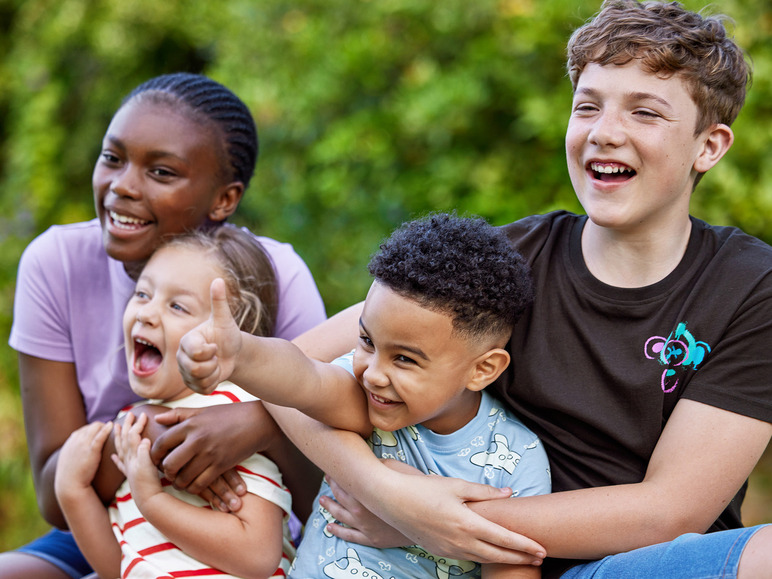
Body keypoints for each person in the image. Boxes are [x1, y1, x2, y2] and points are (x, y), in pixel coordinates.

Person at [261, 1, 772, 577]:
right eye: (588, 107)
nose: (605, 133)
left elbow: (668, 511)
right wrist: (394, 494)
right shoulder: (509, 259)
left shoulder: (751, 287)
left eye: (645, 113)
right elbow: (296, 368)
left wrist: (443, 524)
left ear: (709, 145)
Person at [6, 72, 326, 579]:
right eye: (112, 158)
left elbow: (325, 485)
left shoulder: (273, 275)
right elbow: (53, 489)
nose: (122, 187)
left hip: (239, 524)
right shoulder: (55, 262)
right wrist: (158, 433)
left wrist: (256, 429)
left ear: (225, 199)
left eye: (160, 172)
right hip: (112, 519)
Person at [178, 213, 552, 578]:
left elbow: (511, 567)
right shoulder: (364, 401)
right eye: (367, 341)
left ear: (482, 370)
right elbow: (303, 377)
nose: (372, 373)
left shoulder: (516, 461)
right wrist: (241, 354)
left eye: (404, 359)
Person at [55, 227, 296, 579]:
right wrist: (72, 492)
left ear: (233, 332)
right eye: (141, 294)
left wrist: (153, 501)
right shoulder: (131, 426)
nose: (147, 314)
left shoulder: (232, 415)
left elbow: (258, 555)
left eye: (177, 306)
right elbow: (121, 568)